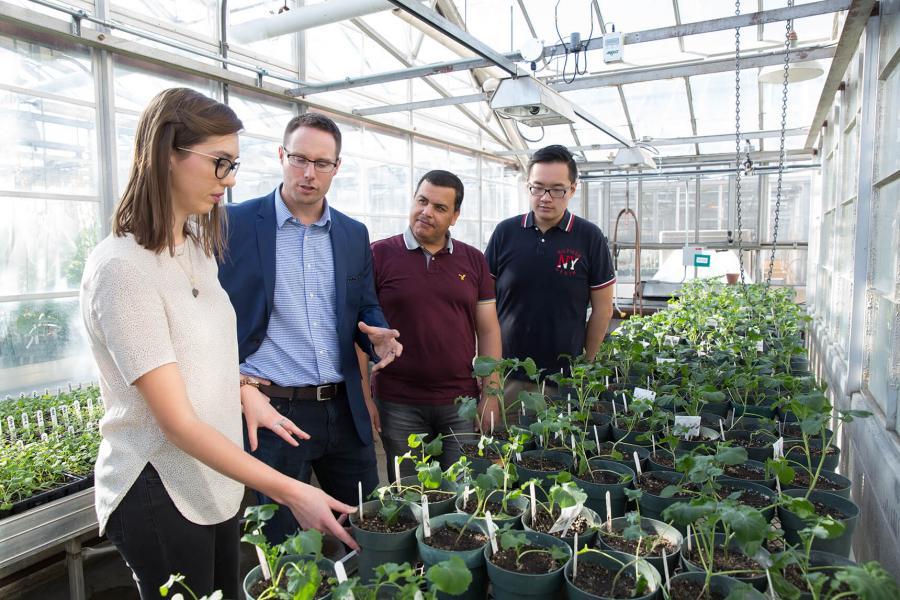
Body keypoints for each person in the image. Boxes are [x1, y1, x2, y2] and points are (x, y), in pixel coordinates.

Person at [79, 88, 357, 600]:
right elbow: (177, 423)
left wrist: (243, 390)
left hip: (214, 476)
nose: (228, 181)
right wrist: (293, 490)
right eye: (219, 163)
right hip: (161, 484)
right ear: (167, 154)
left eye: (233, 165)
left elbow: (194, 353)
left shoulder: (195, 248)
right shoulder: (123, 270)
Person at [218, 112, 402, 544]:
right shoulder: (233, 224)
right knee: (284, 546)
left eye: (322, 163)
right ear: (281, 156)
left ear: (337, 168)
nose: (308, 173)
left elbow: (365, 307)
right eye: (299, 158)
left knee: (370, 528)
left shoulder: (353, 234)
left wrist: (378, 337)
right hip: (274, 412)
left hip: (342, 409)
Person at [360, 170, 501, 481]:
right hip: (397, 402)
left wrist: (491, 394)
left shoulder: (474, 260)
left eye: (439, 207)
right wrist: (364, 398)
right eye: (422, 201)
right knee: (409, 491)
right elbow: (360, 331)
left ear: (455, 216)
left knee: (461, 490)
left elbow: (488, 330)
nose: (426, 212)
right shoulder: (378, 255)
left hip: (460, 402)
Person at [485, 144, 616, 402]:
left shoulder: (589, 237)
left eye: (557, 189)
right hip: (506, 375)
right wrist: (488, 369)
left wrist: (585, 366)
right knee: (500, 440)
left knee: (559, 442)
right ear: (528, 186)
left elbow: (603, 309)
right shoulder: (506, 232)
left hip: (562, 380)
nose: (545, 197)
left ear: (572, 189)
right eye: (538, 187)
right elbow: (484, 303)